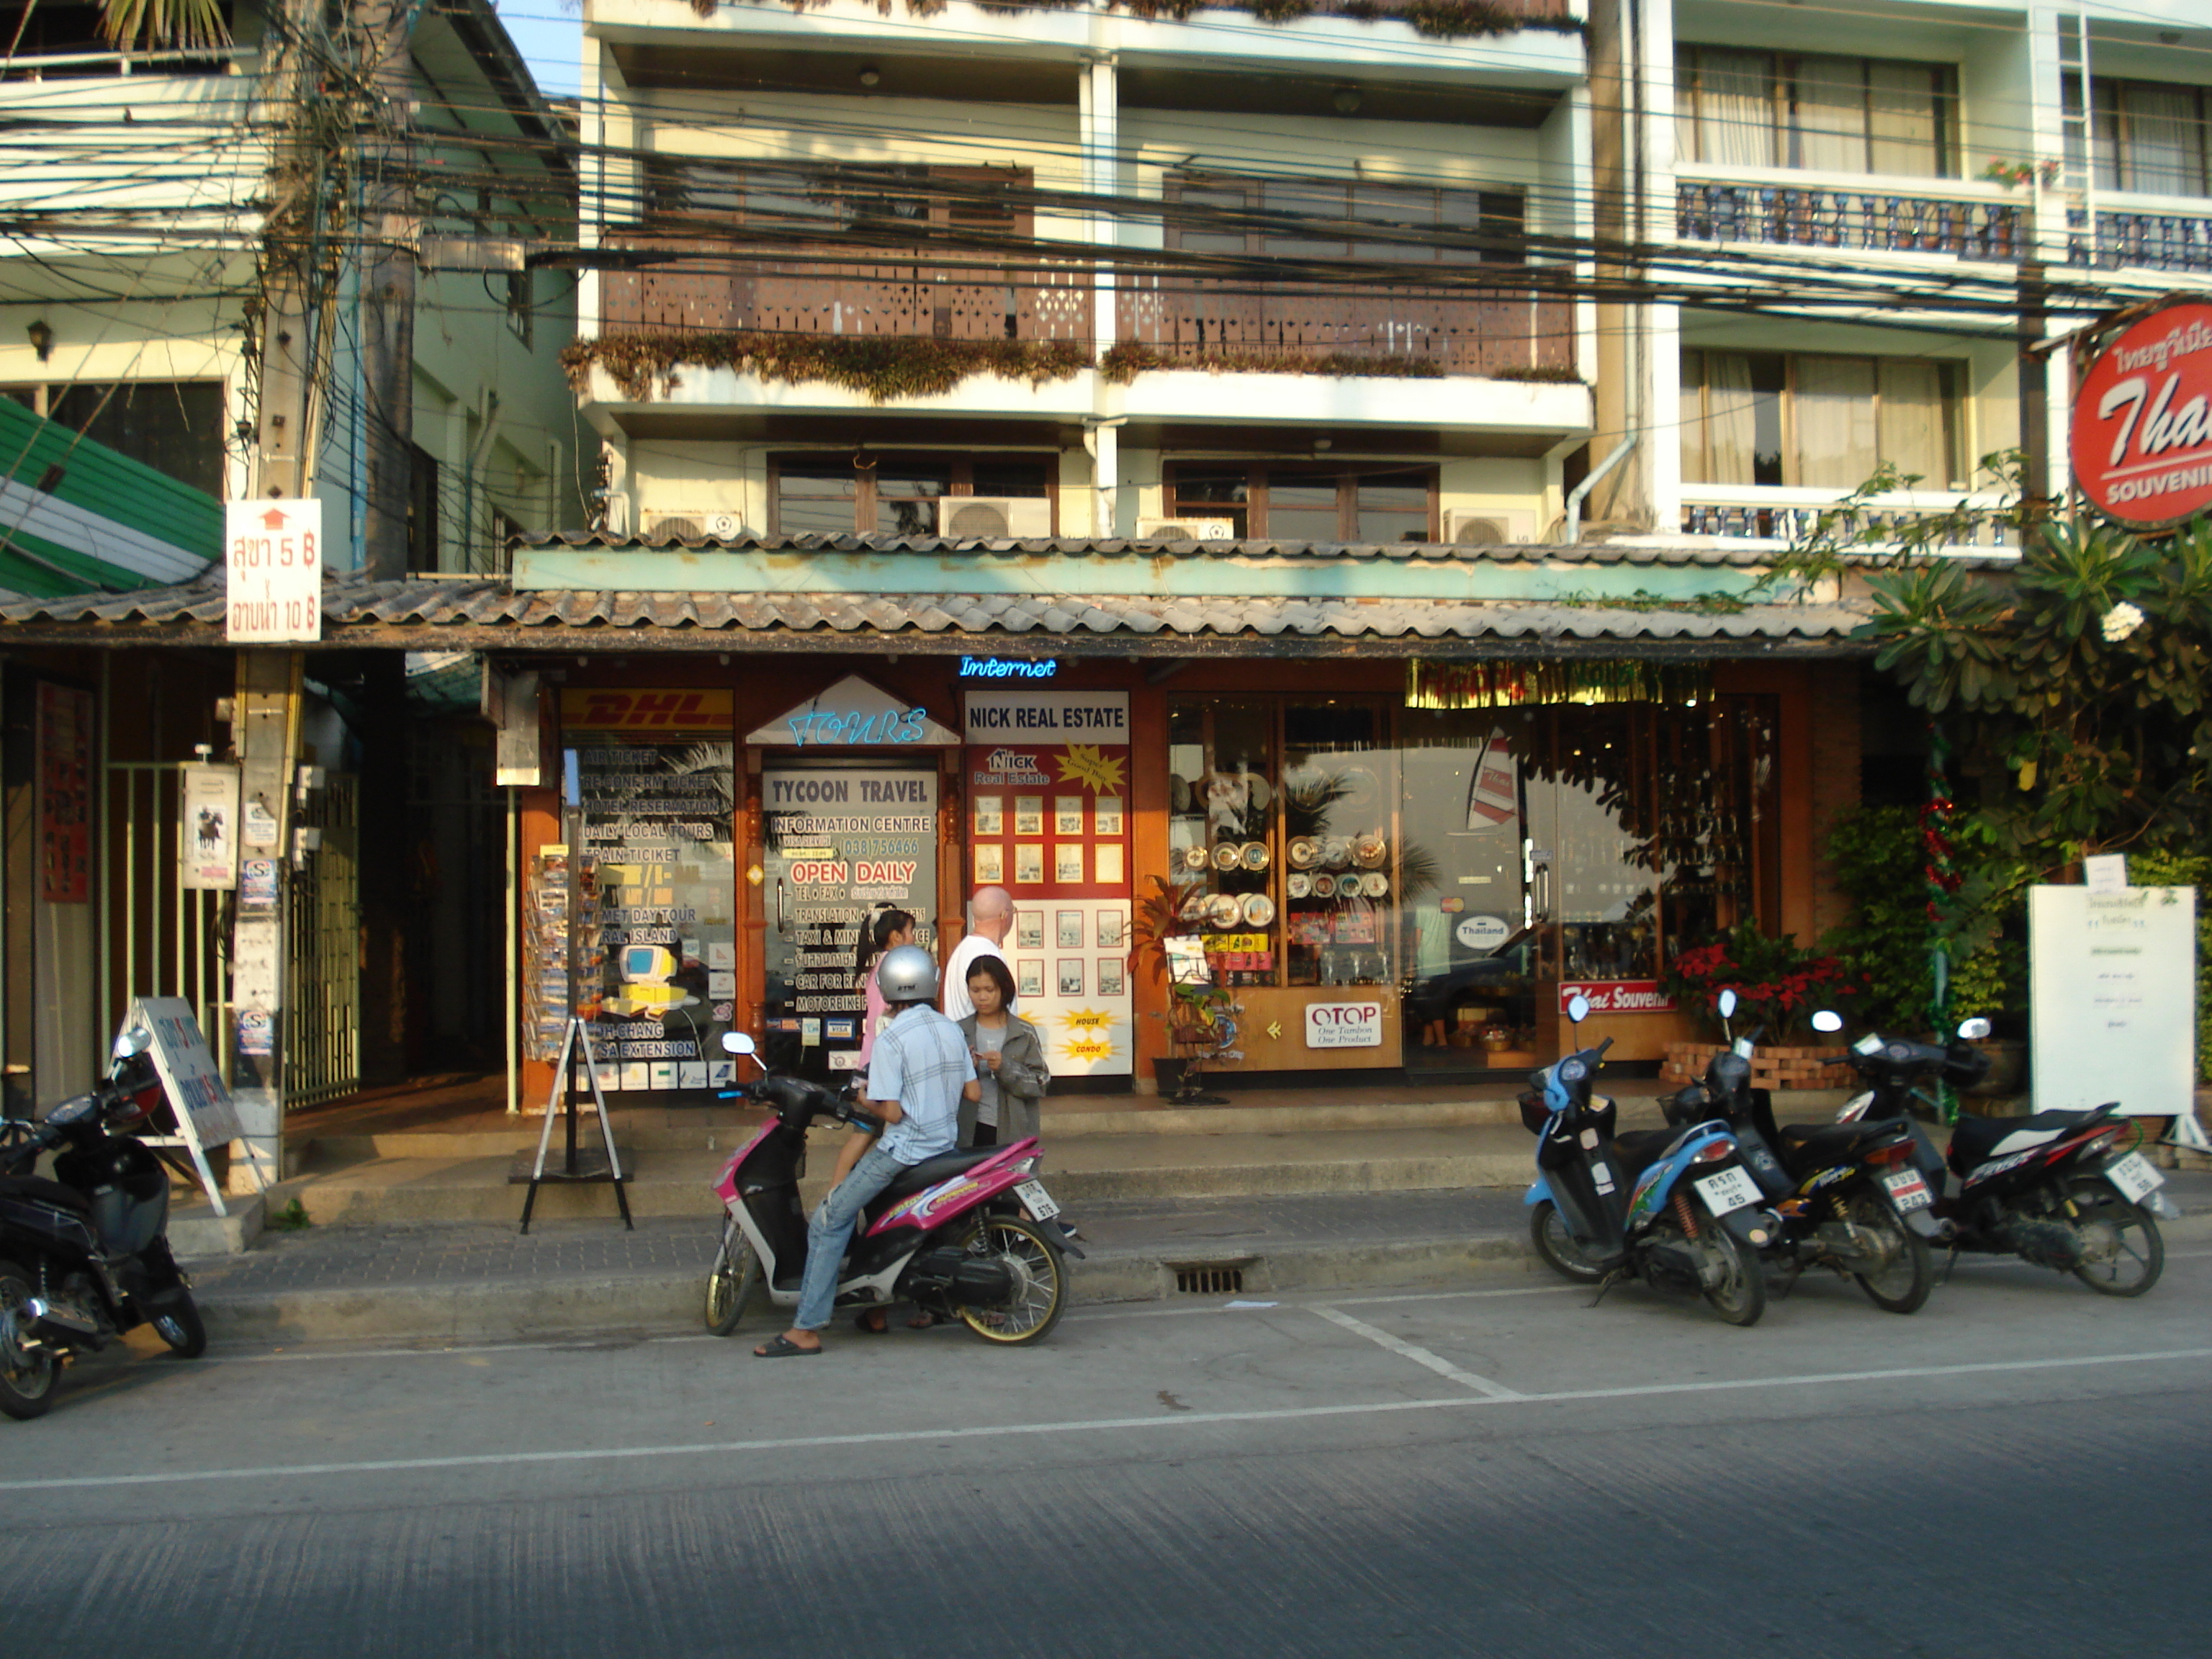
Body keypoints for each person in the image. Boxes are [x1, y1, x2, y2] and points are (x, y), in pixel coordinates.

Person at [753, 944, 977, 1358]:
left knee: (829, 1219)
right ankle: (871, 1309)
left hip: (903, 1151)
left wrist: (864, 1099)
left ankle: (806, 1329)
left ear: (889, 988)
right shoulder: (951, 1030)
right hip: (943, 1147)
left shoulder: (892, 1038)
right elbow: (972, 1091)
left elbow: (890, 1114)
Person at [956, 956, 1050, 1149]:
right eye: (975, 990)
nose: (982, 997)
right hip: (968, 1132)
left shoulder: (1024, 1033)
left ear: (1004, 989)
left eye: (989, 990)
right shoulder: (958, 1032)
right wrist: (964, 1069)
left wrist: (1006, 1068)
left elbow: (1041, 1083)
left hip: (1013, 1132)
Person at [853, 905, 915, 1069]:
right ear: (896, 936)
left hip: (875, 1053)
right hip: (884, 1059)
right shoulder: (894, 968)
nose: (914, 938)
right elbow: (885, 1017)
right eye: (910, 932)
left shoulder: (883, 964)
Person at [941, 885, 1013, 1022]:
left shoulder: (962, 949)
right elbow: (1002, 1018)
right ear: (1005, 915)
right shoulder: (988, 956)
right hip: (987, 1041)